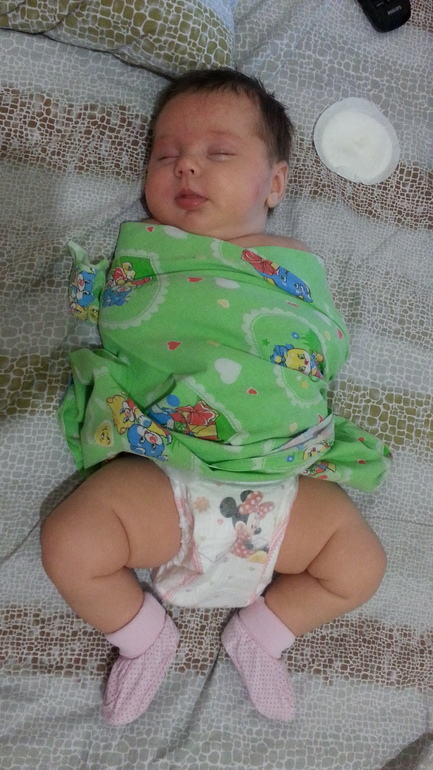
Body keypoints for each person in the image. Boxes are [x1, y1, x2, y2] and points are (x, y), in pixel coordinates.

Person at [41, 68, 389, 726]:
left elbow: (322, 347)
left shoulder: (298, 271)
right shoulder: (152, 258)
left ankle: (265, 633)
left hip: (280, 482)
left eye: (220, 153)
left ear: (275, 184)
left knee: (361, 565)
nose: (187, 167)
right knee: (70, 543)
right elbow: (124, 323)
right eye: (165, 156)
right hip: (169, 473)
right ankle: (143, 636)